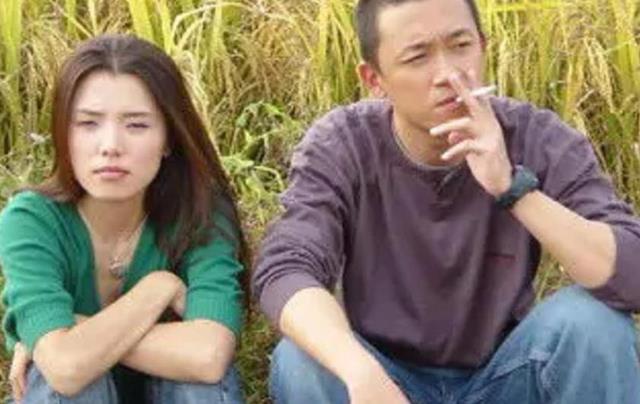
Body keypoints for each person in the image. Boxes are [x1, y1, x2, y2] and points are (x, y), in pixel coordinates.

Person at [252, 0, 640, 403]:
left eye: (460, 46)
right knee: (302, 360)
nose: (449, 74)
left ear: (483, 47)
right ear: (374, 78)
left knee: (593, 323)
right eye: (417, 57)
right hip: (385, 382)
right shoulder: (343, 145)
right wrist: (359, 370)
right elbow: (286, 269)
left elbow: (633, 273)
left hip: (507, 375)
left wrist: (512, 187)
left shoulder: (536, 137)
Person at [0, 34, 248, 404]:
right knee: (70, 385)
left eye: (136, 125)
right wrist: (159, 288)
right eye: (88, 123)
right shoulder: (32, 221)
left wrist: (68, 334)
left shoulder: (200, 213)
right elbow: (66, 371)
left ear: (168, 138)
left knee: (198, 386)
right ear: (64, 132)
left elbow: (209, 356)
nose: (111, 146)